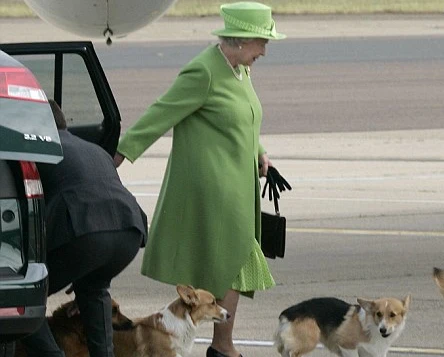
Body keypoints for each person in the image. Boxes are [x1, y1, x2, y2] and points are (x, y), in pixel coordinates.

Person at [112, 2, 286, 357]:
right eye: (261, 42)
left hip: (238, 184)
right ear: (240, 41)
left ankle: (219, 345)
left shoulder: (240, 70)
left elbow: (245, 117)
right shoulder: (203, 72)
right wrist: (113, 159)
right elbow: (159, 114)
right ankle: (221, 347)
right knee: (236, 262)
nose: (265, 51)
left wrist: (260, 152)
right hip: (213, 188)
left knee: (229, 266)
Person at [22, 99, 147, 357]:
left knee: (22, 300)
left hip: (84, 233)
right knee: (94, 289)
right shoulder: (93, 148)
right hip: (129, 232)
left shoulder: (35, 147)